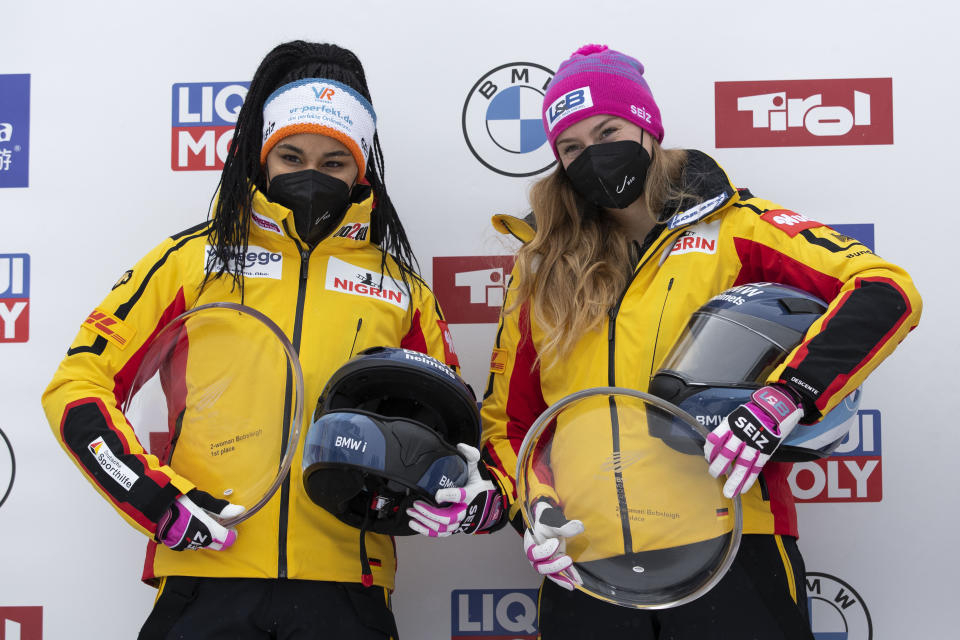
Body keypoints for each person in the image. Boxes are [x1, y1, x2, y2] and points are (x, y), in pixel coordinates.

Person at [479, 44, 921, 639]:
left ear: (646, 127)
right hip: (587, 566)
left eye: (607, 130)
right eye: (571, 147)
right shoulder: (541, 270)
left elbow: (884, 292)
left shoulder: (738, 229)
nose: (593, 155)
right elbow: (510, 423)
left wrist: (785, 398)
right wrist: (533, 511)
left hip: (734, 553)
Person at [41, 40, 470, 640]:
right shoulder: (190, 261)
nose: (311, 175)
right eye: (290, 156)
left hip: (349, 589)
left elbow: (453, 429)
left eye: (335, 161)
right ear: (260, 158)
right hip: (205, 575)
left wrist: (458, 488)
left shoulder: (400, 289)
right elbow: (77, 387)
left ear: (362, 169)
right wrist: (154, 501)